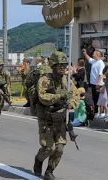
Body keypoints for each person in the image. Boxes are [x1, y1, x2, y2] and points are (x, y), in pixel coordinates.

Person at [33, 52, 80, 180]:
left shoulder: (67, 80)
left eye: (65, 65)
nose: (64, 68)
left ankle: (49, 171)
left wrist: (71, 103)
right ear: (53, 65)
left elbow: (76, 95)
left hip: (60, 118)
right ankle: (38, 160)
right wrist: (60, 96)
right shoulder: (44, 80)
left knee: (59, 149)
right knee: (49, 148)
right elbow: (43, 97)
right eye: (60, 65)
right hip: (46, 119)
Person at [82, 49, 105, 117]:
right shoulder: (94, 61)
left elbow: (100, 74)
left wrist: (98, 83)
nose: (92, 54)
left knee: (99, 99)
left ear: (98, 55)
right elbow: (89, 58)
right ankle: (96, 112)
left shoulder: (100, 63)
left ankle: (100, 112)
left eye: (94, 53)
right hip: (92, 83)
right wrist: (85, 53)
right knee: (94, 98)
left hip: (98, 84)